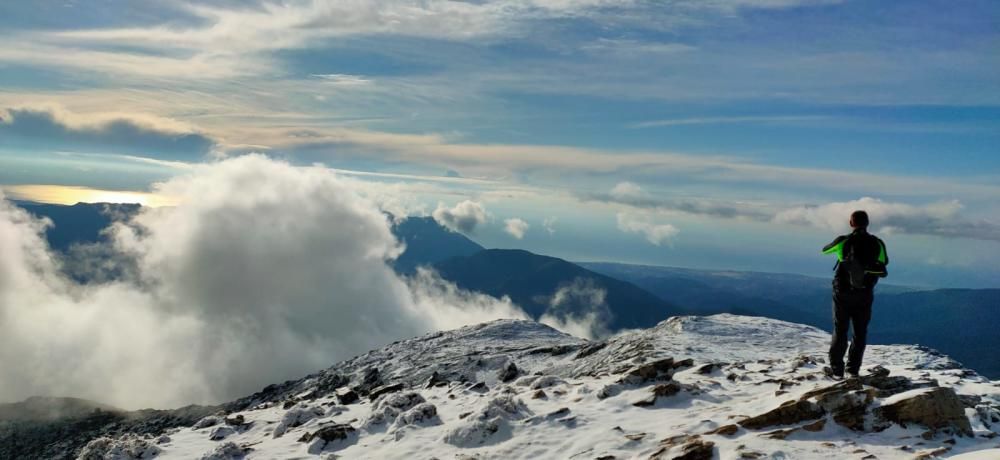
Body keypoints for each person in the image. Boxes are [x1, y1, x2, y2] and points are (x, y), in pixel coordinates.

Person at [821, 210, 888, 379]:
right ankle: (853, 370)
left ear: (851, 223)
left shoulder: (844, 241)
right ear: (867, 223)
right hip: (865, 292)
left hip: (842, 291)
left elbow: (824, 251)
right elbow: (885, 261)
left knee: (840, 329)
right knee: (860, 332)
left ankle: (837, 370)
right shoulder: (877, 243)